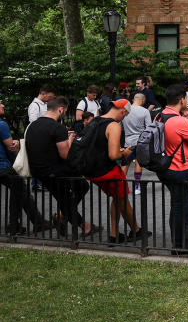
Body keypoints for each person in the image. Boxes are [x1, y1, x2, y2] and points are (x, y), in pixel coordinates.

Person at [25, 96, 98, 236]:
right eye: (64, 112)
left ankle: (66, 218)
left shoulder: (32, 126)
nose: (64, 114)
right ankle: (81, 224)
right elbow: (65, 155)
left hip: (37, 170)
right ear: (60, 109)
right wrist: (70, 139)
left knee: (69, 194)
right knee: (78, 189)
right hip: (56, 171)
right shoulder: (57, 127)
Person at [82, 100, 146, 243]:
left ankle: (114, 234)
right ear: (123, 111)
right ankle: (136, 230)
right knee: (122, 198)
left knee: (117, 198)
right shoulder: (114, 125)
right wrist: (125, 153)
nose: (123, 118)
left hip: (90, 169)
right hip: (107, 170)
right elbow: (113, 155)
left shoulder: (95, 121)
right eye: (125, 116)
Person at [157, 84, 188, 254]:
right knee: (184, 207)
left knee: (176, 204)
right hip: (180, 169)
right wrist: (186, 119)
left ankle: (181, 243)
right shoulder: (180, 121)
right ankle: (181, 245)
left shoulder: (160, 116)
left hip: (164, 168)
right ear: (182, 99)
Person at [0, 100, 49, 234]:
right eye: (0, 103)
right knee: (20, 189)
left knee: (19, 190)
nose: (3, 105)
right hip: (3, 166)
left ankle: (30, 223)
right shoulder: (1, 124)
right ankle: (20, 225)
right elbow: (11, 147)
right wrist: (17, 144)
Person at [123, 93, 152, 195]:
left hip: (128, 142)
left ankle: (121, 185)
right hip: (140, 142)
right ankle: (136, 186)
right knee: (138, 164)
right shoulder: (145, 111)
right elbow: (149, 127)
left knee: (125, 164)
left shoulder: (125, 110)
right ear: (143, 100)